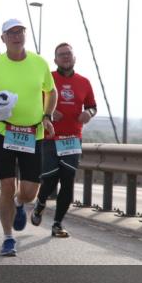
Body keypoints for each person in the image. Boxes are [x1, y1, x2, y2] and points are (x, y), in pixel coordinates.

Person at [0, 18, 56, 257]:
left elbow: (52, 91)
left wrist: (48, 115)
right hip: (3, 132)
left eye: (20, 32)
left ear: (25, 35)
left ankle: (20, 204)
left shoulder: (39, 63)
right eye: (11, 33)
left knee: (30, 193)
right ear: (3, 39)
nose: (17, 36)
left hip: (32, 133)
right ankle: (8, 238)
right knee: (7, 186)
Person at [32, 43, 97, 237]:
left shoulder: (84, 82)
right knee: (50, 180)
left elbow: (93, 106)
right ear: (55, 60)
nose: (65, 57)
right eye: (61, 55)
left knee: (68, 181)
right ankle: (40, 203)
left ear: (74, 57)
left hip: (72, 138)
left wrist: (88, 113)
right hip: (51, 137)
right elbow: (34, 103)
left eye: (68, 54)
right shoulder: (48, 79)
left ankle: (57, 224)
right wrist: (49, 112)